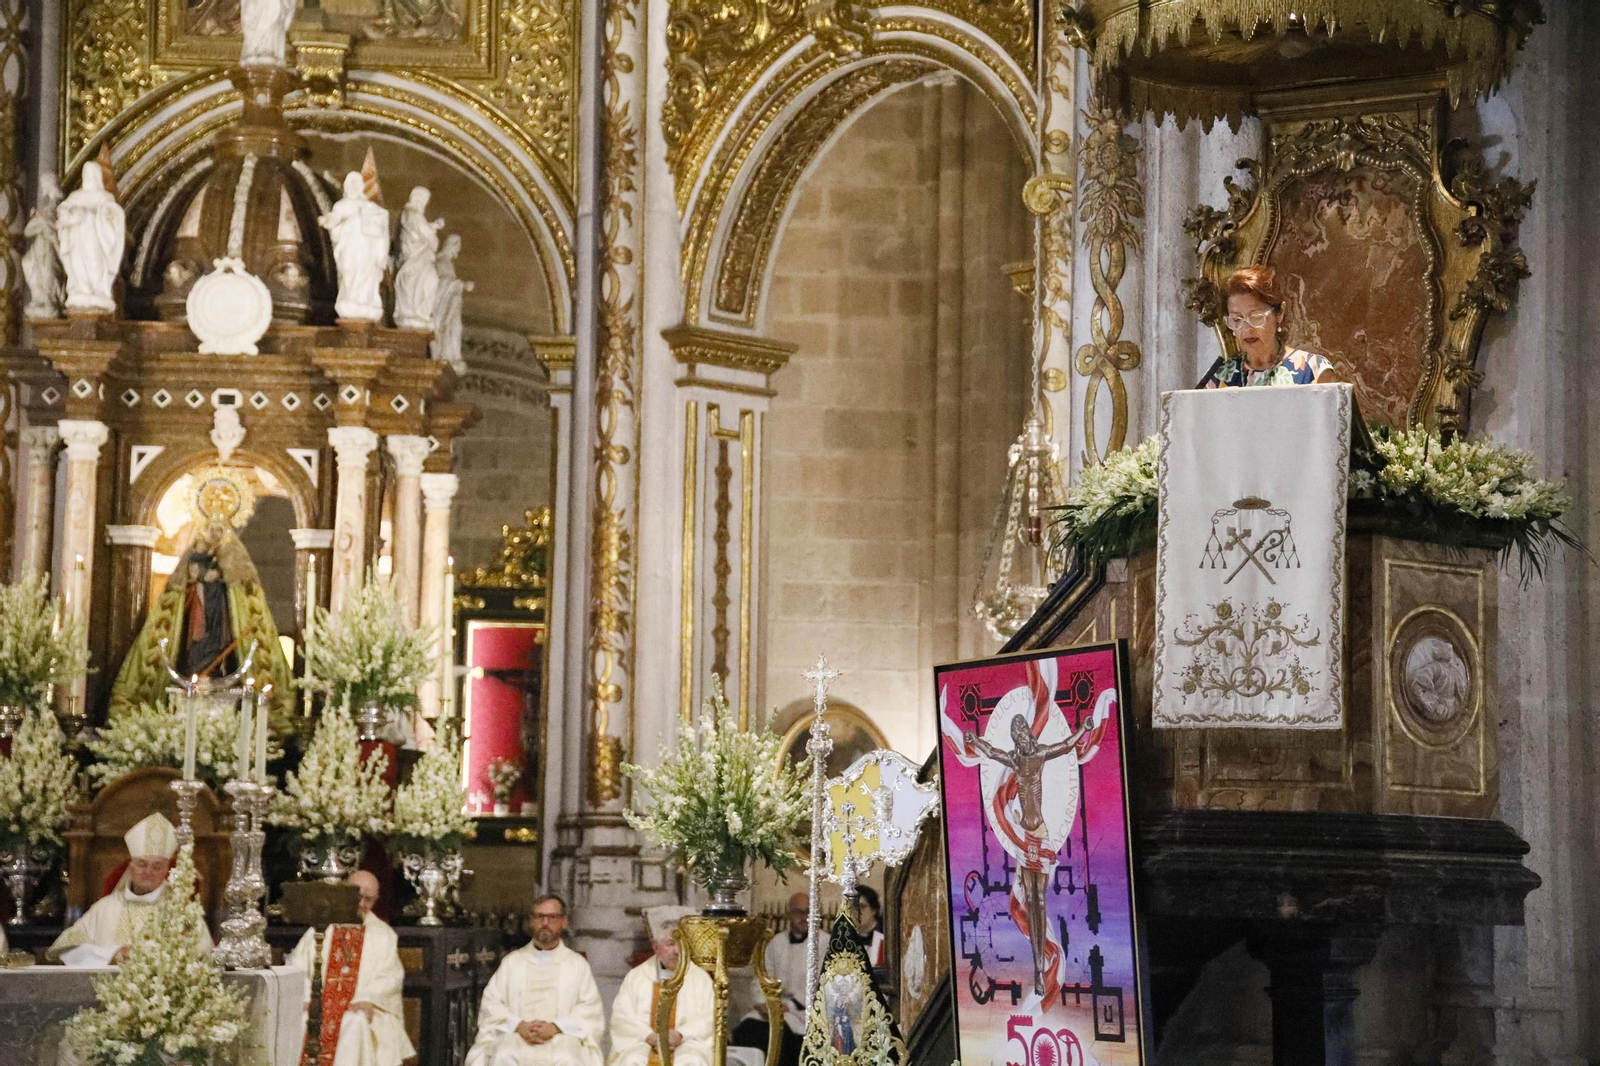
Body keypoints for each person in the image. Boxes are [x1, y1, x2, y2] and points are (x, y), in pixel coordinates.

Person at [963, 713, 1101, 998]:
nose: (1021, 734)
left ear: (1028, 732)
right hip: (1022, 837)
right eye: (1016, 732)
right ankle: (1037, 967)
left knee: (1039, 900)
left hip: (1038, 832)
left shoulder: (1038, 755)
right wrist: (974, 740)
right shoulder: (1015, 760)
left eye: (1023, 729)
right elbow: (992, 752)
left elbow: (1064, 746)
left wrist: (1083, 730)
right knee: (1030, 901)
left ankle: (1041, 965)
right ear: (1015, 737)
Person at [49, 813, 213, 965]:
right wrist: (114, 954)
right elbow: (68, 948)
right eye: (142, 864)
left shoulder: (182, 910)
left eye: (157, 867)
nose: (148, 872)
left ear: (166, 871)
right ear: (130, 867)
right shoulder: (105, 908)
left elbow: (203, 954)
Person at [291, 871, 415, 1066]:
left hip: (361, 1007)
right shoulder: (322, 927)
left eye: (369, 900)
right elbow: (297, 967)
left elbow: (391, 977)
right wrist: (306, 996)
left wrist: (367, 999)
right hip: (318, 1005)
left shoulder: (384, 935)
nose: (362, 904)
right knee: (301, 1020)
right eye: (358, 897)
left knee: (355, 1022)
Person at [466, 893, 604, 1066]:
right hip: (515, 1035)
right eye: (539, 917)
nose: (545, 923)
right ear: (530, 921)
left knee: (567, 1058)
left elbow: (589, 1009)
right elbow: (492, 1004)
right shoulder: (512, 962)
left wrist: (556, 1027)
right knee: (505, 1055)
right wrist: (518, 1025)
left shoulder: (577, 965)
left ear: (564, 921)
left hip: (562, 1037)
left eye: (552, 917)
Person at [608, 906, 713, 1066]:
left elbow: (710, 1018)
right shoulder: (637, 977)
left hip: (686, 1044)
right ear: (656, 947)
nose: (677, 951)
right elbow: (622, 1017)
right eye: (670, 944)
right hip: (643, 1043)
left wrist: (680, 1034)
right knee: (632, 1060)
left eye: (682, 944)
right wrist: (650, 1036)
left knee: (693, 1061)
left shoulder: (700, 978)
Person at [1203, 266, 1333, 388]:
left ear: (1279, 314)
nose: (1247, 329)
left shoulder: (1314, 369)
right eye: (1237, 319)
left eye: (1256, 317)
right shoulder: (1219, 377)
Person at [730, 892, 809, 1066]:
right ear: (788, 914)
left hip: (799, 1012)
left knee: (780, 1037)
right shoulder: (776, 942)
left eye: (808, 912)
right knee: (746, 1030)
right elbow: (761, 975)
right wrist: (762, 1003)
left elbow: (819, 983)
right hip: (770, 1008)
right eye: (798, 912)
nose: (804, 917)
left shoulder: (823, 942)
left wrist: (788, 1006)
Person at [852, 886, 884, 967]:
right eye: (852, 907)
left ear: (874, 910)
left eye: (861, 907)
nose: (856, 912)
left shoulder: (886, 936)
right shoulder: (846, 937)